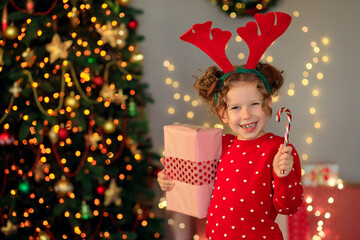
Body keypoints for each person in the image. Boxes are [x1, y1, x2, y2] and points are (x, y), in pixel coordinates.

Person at [157, 62, 303, 239]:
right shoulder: (217, 144)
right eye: (235, 107)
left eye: (254, 104)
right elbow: (193, 180)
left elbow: (289, 207)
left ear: (268, 103)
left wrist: (284, 175)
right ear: (223, 114)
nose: (246, 115)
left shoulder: (279, 150)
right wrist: (170, 178)